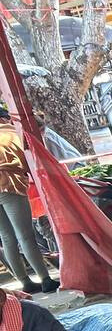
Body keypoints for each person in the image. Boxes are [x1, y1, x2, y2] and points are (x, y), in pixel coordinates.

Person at [0, 109, 56, 294]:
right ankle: (45, 279)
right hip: (10, 185)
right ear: (4, 119)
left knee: (6, 237)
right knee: (25, 235)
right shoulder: (11, 132)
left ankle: (25, 282)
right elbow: (28, 159)